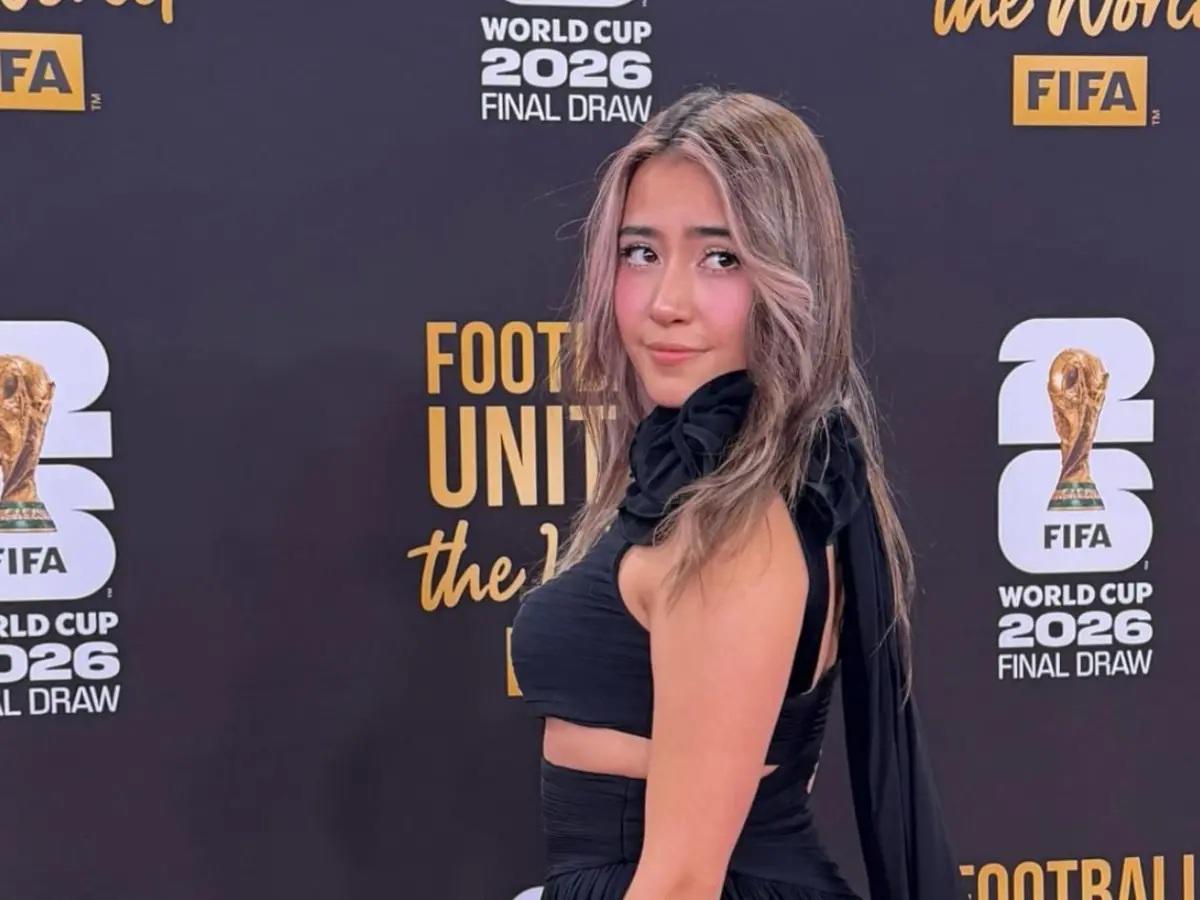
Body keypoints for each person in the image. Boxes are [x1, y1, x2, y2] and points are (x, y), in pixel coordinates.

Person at [510, 86, 960, 900]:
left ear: (790, 276)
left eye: (721, 258)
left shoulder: (737, 528)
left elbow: (682, 881)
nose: (666, 303)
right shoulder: (723, 484)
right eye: (640, 252)